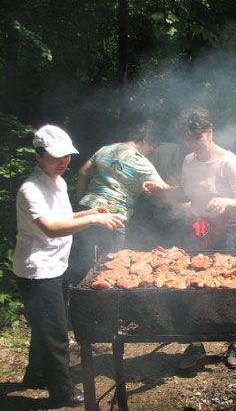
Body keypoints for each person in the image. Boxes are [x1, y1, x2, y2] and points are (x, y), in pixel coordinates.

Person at [13, 125, 125, 408]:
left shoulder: (59, 182)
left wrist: (88, 212)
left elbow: (62, 217)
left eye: (66, 156)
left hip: (55, 266)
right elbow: (50, 228)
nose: (62, 162)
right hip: (38, 271)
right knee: (56, 333)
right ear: (38, 156)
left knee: (45, 325)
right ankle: (62, 391)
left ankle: (35, 374)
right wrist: (92, 220)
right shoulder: (30, 190)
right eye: (54, 156)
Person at [143, 107, 236, 370]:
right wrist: (161, 191)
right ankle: (195, 343)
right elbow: (186, 193)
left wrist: (227, 201)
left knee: (229, 287)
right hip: (199, 230)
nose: (192, 144)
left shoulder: (229, 162)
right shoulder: (189, 161)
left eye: (197, 137)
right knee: (193, 286)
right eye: (187, 138)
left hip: (228, 231)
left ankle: (234, 342)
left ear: (210, 131)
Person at [69, 119, 172, 282]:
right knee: (108, 268)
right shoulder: (140, 162)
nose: (152, 150)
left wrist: (82, 203)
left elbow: (82, 173)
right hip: (113, 218)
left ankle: (77, 291)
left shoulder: (106, 149)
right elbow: (166, 191)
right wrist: (190, 201)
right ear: (145, 140)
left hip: (86, 212)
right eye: (153, 146)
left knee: (85, 259)